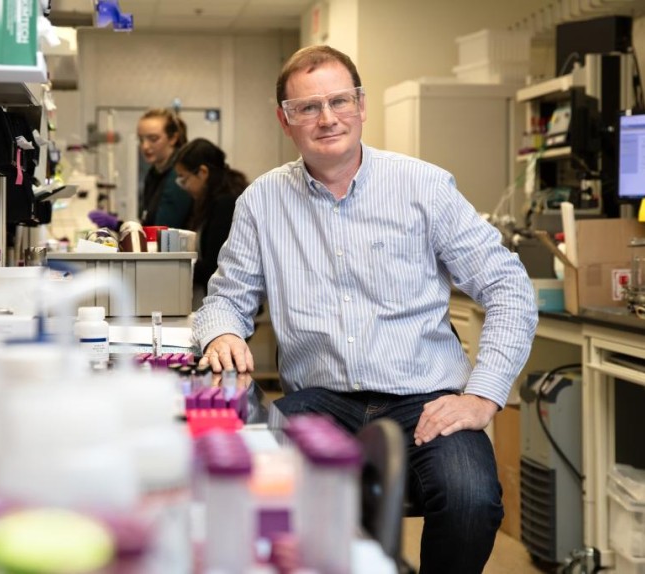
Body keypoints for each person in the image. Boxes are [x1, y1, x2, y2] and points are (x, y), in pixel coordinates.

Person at [191, 45, 538, 573]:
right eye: (308, 107)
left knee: (471, 501)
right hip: (320, 400)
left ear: (361, 105)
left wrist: (484, 396)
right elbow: (227, 300)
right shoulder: (260, 203)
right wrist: (221, 334)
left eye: (338, 101)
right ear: (285, 120)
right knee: (257, 485)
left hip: (425, 397)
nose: (327, 118)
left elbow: (508, 285)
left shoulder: (424, 187)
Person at [89, 108, 193, 230]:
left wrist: (120, 226)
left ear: (173, 138)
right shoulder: (154, 174)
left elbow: (163, 232)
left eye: (153, 139)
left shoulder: (178, 177)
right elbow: (148, 224)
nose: (145, 146)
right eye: (141, 139)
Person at [171, 138, 248, 296]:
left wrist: (173, 265)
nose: (183, 187)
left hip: (229, 298)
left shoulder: (225, 204)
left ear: (203, 172)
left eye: (184, 179)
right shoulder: (206, 201)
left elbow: (214, 266)